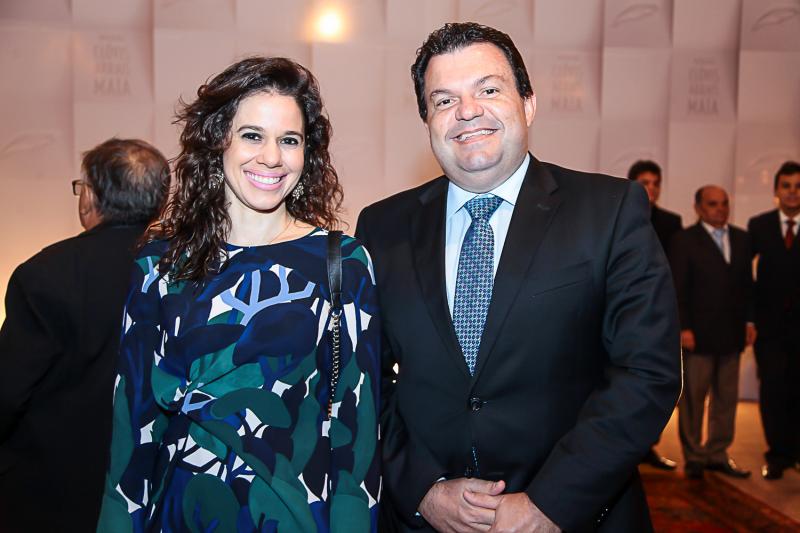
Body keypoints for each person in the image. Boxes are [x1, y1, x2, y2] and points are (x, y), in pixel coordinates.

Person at [356, 23, 681, 532]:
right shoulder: (381, 227)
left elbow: (647, 373)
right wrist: (422, 489)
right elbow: (365, 382)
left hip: (577, 517)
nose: (467, 111)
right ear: (427, 122)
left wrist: (549, 505)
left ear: (528, 104)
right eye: (444, 100)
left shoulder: (610, 211)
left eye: (488, 90)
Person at [96, 57, 381, 532]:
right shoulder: (161, 264)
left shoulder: (342, 263)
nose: (271, 157)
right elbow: (133, 429)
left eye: (289, 140)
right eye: (252, 135)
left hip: (292, 518)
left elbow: (357, 439)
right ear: (218, 141)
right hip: (180, 515)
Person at [0, 138, 170, 532]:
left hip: (51, 489)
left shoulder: (45, 273)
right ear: (161, 204)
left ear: (90, 196)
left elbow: (8, 391)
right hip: (152, 486)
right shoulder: (187, 273)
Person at [670, 185, 755, 480]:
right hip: (698, 335)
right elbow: (677, 288)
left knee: (726, 399)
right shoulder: (684, 240)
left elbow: (748, 287)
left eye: (724, 203)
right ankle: (694, 455)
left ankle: (717, 453)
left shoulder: (742, 239)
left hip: (732, 334)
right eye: (713, 204)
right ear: (698, 208)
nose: (720, 209)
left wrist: (750, 322)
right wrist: (683, 327)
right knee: (693, 399)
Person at [627, 159, 682, 471]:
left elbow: (675, 272)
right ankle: (627, 448)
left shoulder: (672, 223)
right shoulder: (616, 213)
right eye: (644, 182)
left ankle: (650, 446)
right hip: (622, 308)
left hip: (658, 310)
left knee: (655, 381)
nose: (651, 188)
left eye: (655, 183)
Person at [747, 161, 800, 480]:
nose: (793, 192)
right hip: (770, 329)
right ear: (776, 190)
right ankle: (778, 454)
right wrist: (750, 319)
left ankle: (796, 450)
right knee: (773, 390)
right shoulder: (759, 225)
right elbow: (745, 276)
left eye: (798, 186)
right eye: (786, 186)